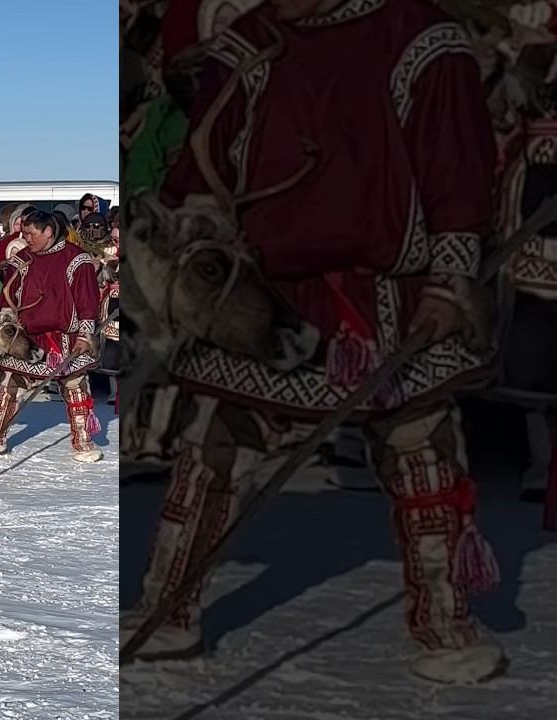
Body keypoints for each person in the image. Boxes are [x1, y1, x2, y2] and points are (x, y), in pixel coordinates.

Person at [125, 0, 505, 684]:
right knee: (210, 451)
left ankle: (445, 622)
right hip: (267, 295)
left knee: (421, 456)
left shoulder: (421, 39)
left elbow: (458, 164)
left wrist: (451, 279)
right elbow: (201, 171)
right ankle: (169, 611)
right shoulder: (252, 45)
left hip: (392, 291)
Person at [0, 211, 103, 462]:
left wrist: (84, 335)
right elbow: (7, 296)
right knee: (9, 383)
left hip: (66, 336)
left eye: (31, 234)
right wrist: (1, 318)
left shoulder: (77, 259)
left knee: (75, 387)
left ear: (48, 232)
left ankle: (83, 442)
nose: (26, 239)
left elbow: (88, 300)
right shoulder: (22, 259)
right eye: (24, 233)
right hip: (29, 336)